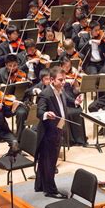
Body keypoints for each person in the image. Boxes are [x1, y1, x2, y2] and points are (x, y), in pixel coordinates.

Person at [35, 67, 68, 199]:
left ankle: (40, 185)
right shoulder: (45, 93)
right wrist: (46, 114)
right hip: (48, 132)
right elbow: (39, 111)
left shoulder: (61, 90)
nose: (63, 82)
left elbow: (64, 104)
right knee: (50, 162)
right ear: (52, 80)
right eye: (60, 80)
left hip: (57, 129)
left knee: (45, 161)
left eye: (64, 79)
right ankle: (51, 190)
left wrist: (75, 102)